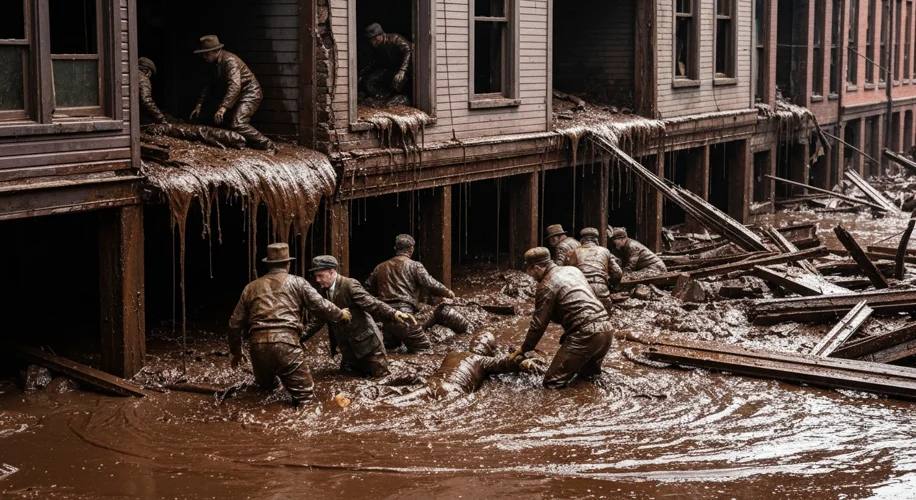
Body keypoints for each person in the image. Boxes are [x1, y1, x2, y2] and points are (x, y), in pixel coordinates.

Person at [228, 243, 352, 405]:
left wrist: (236, 352)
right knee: (305, 399)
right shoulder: (298, 283)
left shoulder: (250, 288)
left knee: (265, 392)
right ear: (288, 264)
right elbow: (320, 305)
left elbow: (234, 325)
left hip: (257, 347)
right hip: (286, 344)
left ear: (268, 265)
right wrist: (340, 314)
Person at [509, 247, 615, 388]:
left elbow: (538, 325)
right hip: (607, 329)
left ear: (537, 268)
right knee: (588, 378)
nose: (531, 277)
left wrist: (524, 349)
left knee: (552, 383)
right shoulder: (573, 270)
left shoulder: (546, 285)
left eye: (530, 272)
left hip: (586, 334)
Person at [302, 255, 415, 378]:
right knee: (346, 379)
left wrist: (393, 313)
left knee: (381, 378)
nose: (317, 280)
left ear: (332, 272)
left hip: (369, 347)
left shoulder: (349, 285)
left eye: (320, 276)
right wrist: (300, 338)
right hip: (348, 351)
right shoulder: (322, 292)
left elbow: (371, 303)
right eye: (316, 276)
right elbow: (318, 319)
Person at [381, 333, 544, 403]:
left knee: (393, 402)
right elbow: (504, 363)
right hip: (453, 391)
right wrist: (522, 363)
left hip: (431, 384)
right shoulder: (483, 360)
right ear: (489, 350)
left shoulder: (452, 354)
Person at [365, 234, 459, 351]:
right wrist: (447, 292)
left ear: (395, 249)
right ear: (411, 249)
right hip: (405, 315)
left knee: (390, 349)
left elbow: (367, 289)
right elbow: (430, 283)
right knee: (424, 349)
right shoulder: (415, 265)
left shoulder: (380, 267)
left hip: (386, 317)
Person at [190, 35, 277, 154]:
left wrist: (223, 107)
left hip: (250, 93)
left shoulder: (230, 61)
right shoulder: (212, 64)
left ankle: (268, 145)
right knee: (225, 122)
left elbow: (235, 86)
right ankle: (247, 143)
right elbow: (208, 85)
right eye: (203, 54)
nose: (203, 57)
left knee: (238, 123)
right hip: (236, 96)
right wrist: (199, 104)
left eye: (206, 54)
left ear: (216, 51)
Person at [567, 227, 623, 313]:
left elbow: (568, 275)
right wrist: (611, 286)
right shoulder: (605, 251)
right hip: (601, 292)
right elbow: (618, 273)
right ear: (596, 240)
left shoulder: (574, 253)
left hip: (582, 292)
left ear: (581, 240)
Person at [358, 23, 412, 101]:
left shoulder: (395, 39)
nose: (372, 42)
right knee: (370, 82)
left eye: (373, 39)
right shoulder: (378, 47)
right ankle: (385, 98)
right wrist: (363, 73)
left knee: (397, 82)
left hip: (406, 70)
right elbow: (374, 62)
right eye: (370, 40)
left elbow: (408, 50)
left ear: (380, 36)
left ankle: (401, 98)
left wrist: (402, 70)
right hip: (392, 69)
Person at [138, 57, 168, 125]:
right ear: (147, 71)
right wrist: (161, 118)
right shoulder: (143, 79)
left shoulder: (131, 75)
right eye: (151, 73)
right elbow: (146, 101)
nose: (150, 76)